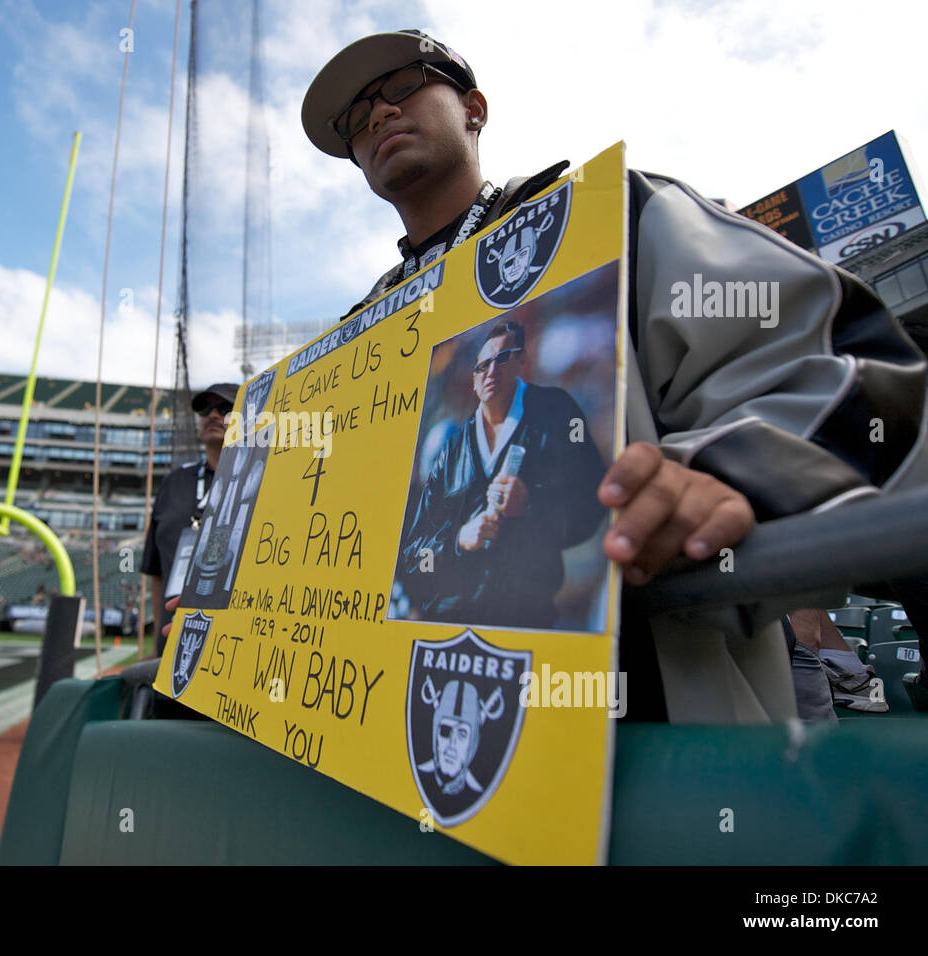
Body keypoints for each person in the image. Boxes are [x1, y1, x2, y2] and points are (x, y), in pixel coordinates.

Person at [300, 30, 928, 722]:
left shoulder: (610, 215)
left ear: (473, 107)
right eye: (356, 119)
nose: (379, 115)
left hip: (649, 725)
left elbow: (852, 369)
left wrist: (723, 475)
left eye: (401, 86)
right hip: (398, 721)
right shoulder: (355, 343)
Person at [398, 319, 607, 627]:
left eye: (502, 359)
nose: (491, 373)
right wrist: (459, 540)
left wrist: (529, 505)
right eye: (481, 365)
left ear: (523, 360)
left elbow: (591, 509)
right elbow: (418, 552)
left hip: (533, 622)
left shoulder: (556, 415)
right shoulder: (448, 444)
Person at [141, 383, 238, 654]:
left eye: (226, 408)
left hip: (228, 643)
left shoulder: (261, 478)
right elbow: (157, 570)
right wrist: (157, 642)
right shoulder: (174, 481)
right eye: (206, 409)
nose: (213, 415)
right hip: (171, 640)